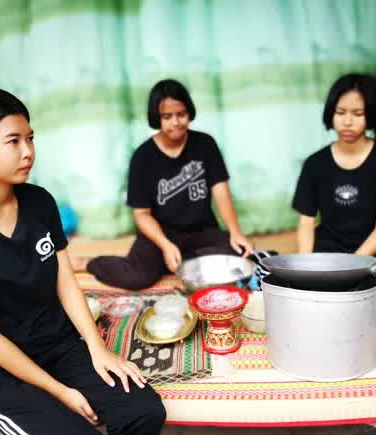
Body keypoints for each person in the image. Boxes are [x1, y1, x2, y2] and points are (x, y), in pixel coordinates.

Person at [0, 88, 165, 435]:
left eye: (30, 138)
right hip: (1, 374)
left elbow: (65, 282)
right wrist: (60, 393)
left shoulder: (39, 202)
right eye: (13, 141)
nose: (28, 151)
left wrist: (97, 349)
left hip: (59, 346)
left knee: (143, 412)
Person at [74, 79, 253, 289]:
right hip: (159, 235)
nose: (176, 122)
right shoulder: (142, 157)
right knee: (138, 277)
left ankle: (177, 262)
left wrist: (235, 231)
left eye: (181, 114)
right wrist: (166, 245)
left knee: (242, 255)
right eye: (167, 117)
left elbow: (221, 193)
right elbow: (142, 214)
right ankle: (88, 263)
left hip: (202, 232)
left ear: (189, 112)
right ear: (156, 118)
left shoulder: (206, 144)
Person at [292, 73, 376, 272]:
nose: (347, 121)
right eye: (340, 112)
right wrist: (306, 265)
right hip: (328, 254)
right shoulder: (315, 164)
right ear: (331, 113)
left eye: (357, 113)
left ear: (371, 114)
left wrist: (351, 269)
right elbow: (306, 223)